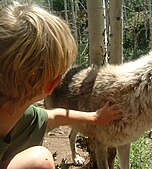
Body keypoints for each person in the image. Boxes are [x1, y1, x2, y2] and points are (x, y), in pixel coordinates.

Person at [0, 2, 122, 169]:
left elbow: (53, 116)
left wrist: (95, 117)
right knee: (40, 159)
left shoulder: (15, 109)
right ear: (52, 86)